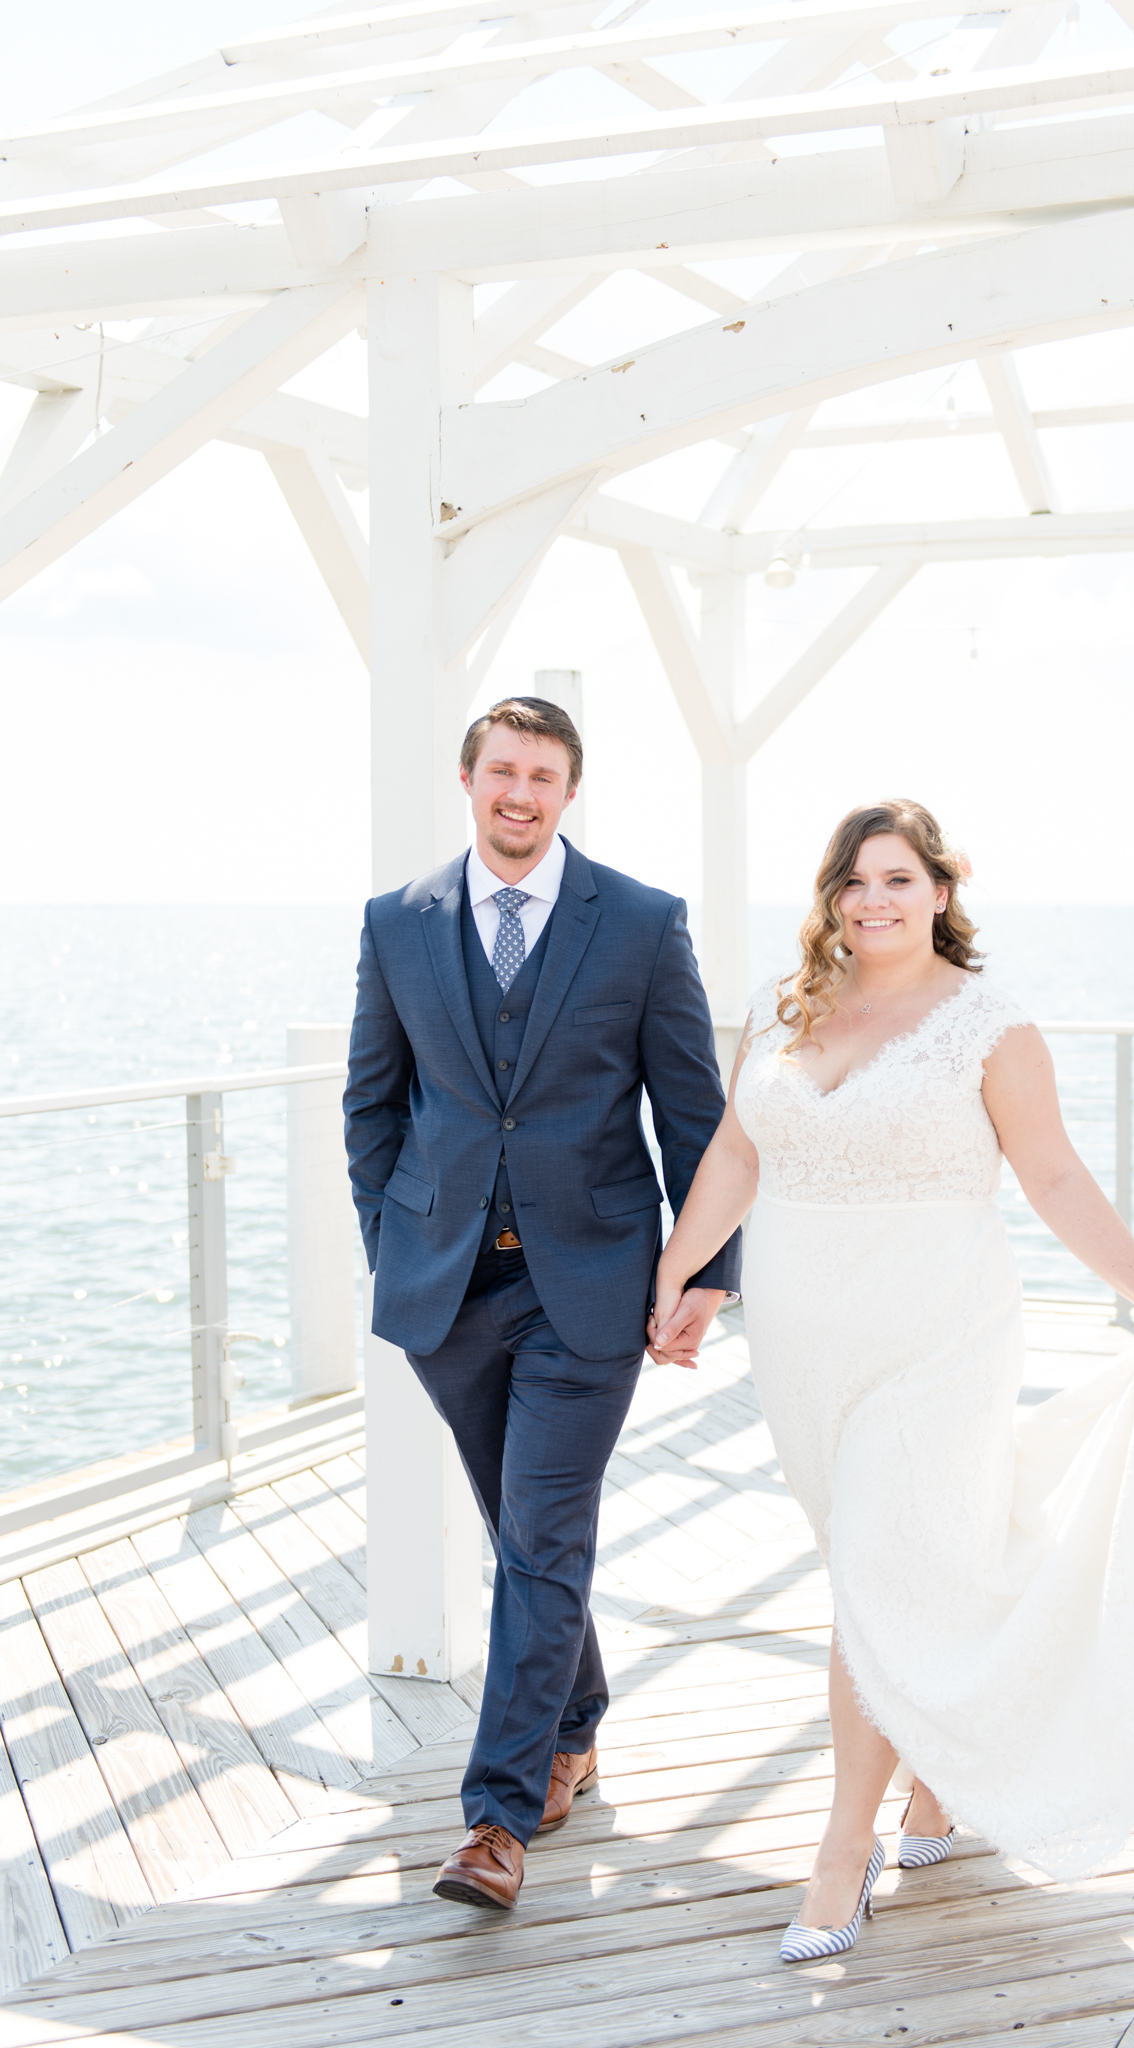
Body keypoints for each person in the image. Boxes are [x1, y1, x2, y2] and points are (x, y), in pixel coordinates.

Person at [650, 798, 1134, 1961]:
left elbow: (1050, 1177)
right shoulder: (775, 1004)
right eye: (853, 881)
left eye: (898, 879)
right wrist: (679, 1265)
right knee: (895, 1572)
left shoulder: (988, 1025)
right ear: (830, 894)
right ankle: (936, 1782)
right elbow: (737, 1151)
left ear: (940, 892)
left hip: (935, 1337)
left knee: (873, 1569)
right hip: (801, 1340)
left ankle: (840, 1853)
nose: (873, 901)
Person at [344, 696, 741, 1913]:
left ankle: (496, 1818)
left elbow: (692, 1115)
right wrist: (392, 1246)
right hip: (447, 1289)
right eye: (502, 770)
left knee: (539, 1533)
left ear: (571, 790)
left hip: (591, 1287)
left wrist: (706, 1276)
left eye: (544, 775)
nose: (520, 793)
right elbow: (371, 1105)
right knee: (525, 1534)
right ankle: (574, 1713)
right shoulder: (397, 922)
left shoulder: (637, 921)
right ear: (466, 777)